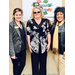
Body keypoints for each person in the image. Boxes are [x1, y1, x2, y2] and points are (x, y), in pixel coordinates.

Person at [26, 6, 51, 75]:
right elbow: (28, 34)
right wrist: (29, 45)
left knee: (43, 64)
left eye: (38, 12)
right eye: (35, 12)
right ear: (33, 13)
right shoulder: (30, 22)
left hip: (44, 46)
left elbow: (48, 33)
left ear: (41, 12)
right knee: (35, 65)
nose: (36, 13)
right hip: (34, 46)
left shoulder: (45, 21)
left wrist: (49, 44)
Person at [9, 8, 28, 75]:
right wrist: (12, 54)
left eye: (20, 15)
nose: (18, 16)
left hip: (22, 49)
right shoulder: (11, 25)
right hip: (15, 50)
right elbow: (10, 40)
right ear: (14, 15)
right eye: (17, 15)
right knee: (16, 67)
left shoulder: (22, 24)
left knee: (23, 64)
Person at [50, 7, 65, 75]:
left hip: (63, 50)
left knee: (62, 67)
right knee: (57, 66)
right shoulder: (53, 25)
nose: (59, 16)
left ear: (64, 15)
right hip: (55, 50)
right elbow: (50, 34)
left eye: (61, 14)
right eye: (57, 14)